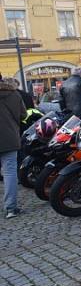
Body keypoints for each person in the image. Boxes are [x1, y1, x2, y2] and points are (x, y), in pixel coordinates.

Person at [1, 78, 26, 218]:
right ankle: (11, 208)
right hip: (9, 138)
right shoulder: (14, 94)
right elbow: (24, 115)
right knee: (10, 172)